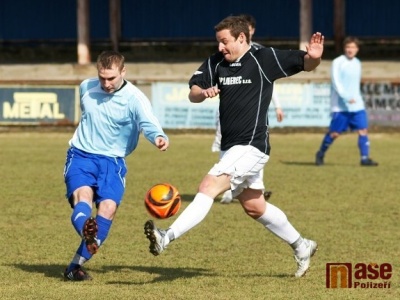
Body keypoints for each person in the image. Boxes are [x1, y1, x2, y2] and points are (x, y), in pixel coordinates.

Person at [144, 16, 324, 278]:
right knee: (254, 206)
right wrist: (202, 92)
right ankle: (302, 245)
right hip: (231, 147)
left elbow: (306, 63)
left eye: (224, 42)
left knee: (208, 186)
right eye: (218, 42)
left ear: (241, 38)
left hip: (253, 145)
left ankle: (166, 237)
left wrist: (315, 58)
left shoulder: (265, 58)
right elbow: (193, 91)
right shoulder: (216, 62)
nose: (220, 47)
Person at [63, 50, 169, 281]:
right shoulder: (86, 88)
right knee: (83, 198)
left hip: (113, 162)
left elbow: (148, 123)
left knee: (108, 210)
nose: (106, 83)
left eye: (111, 78)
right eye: (102, 77)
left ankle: (74, 267)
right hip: (81, 155)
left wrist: (158, 137)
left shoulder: (135, 97)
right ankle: (87, 232)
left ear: (123, 71)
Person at [211, 14, 284, 204]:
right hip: (229, 112)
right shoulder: (224, 55)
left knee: (252, 149)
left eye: (251, 29)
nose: (248, 31)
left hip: (252, 112)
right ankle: (229, 189)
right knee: (227, 146)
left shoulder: (260, 53)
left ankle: (255, 187)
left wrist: (277, 105)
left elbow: (270, 82)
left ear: (251, 32)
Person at [315, 37, 378, 166]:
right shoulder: (338, 62)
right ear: (344, 48)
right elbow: (336, 82)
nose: (350, 50)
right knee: (334, 133)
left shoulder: (357, 63)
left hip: (357, 105)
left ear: (357, 49)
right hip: (341, 106)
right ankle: (320, 153)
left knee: (363, 130)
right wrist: (347, 97)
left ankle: (364, 158)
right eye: (348, 47)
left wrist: (357, 98)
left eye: (353, 47)